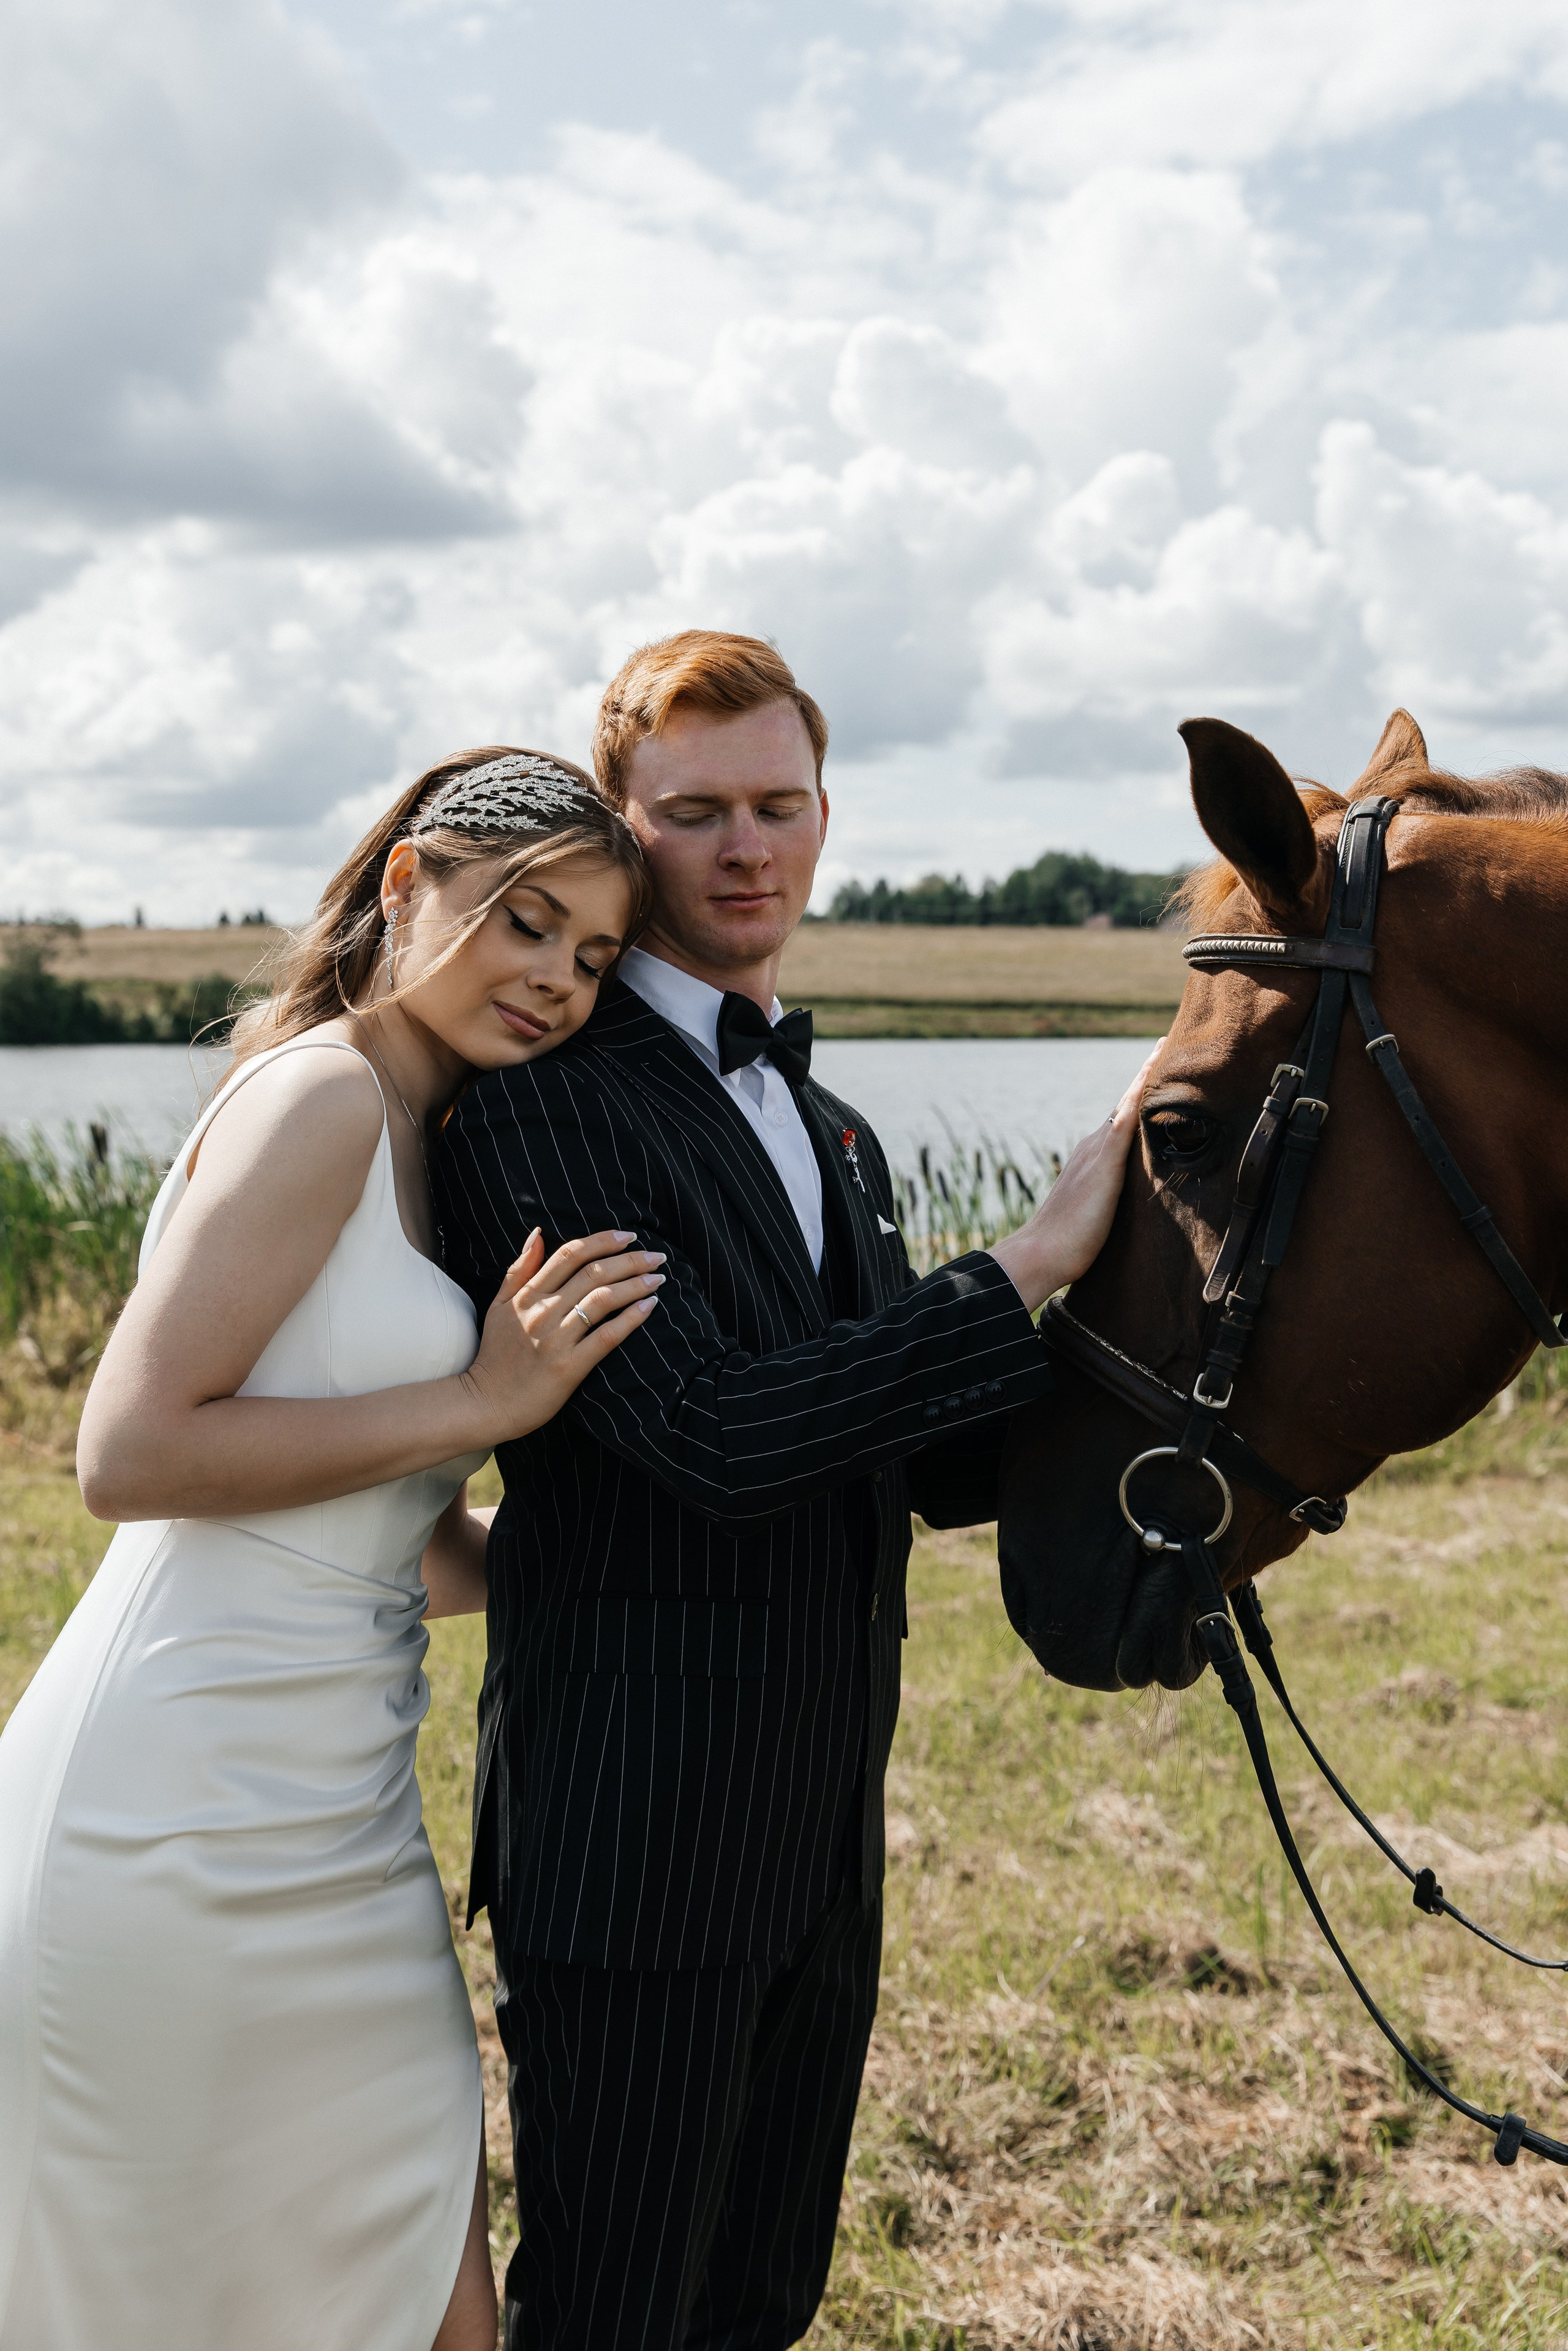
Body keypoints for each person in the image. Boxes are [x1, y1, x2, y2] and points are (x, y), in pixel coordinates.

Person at [435, 633, 1153, 2351]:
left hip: (824, 1829)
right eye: (695, 814)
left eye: (779, 803)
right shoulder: (542, 1111)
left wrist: (1161, 1358)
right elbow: (724, 1438)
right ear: (625, 829)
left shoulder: (838, 1131)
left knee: (762, 2302)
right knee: (616, 2310)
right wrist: (1027, 1259)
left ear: (827, 815)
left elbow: (906, 1456)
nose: (747, 847)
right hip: (637, 1838)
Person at [0, 749, 668, 2351]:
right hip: (172, 1818)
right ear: (402, 883)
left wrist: (615, 1565)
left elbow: (388, 1541)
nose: (557, 982)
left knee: (429, 2292)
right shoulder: (321, 1098)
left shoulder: (437, 1141)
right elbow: (130, 1453)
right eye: (525, 922)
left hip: (345, 1834)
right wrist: (481, 1394)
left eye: (590, 957)